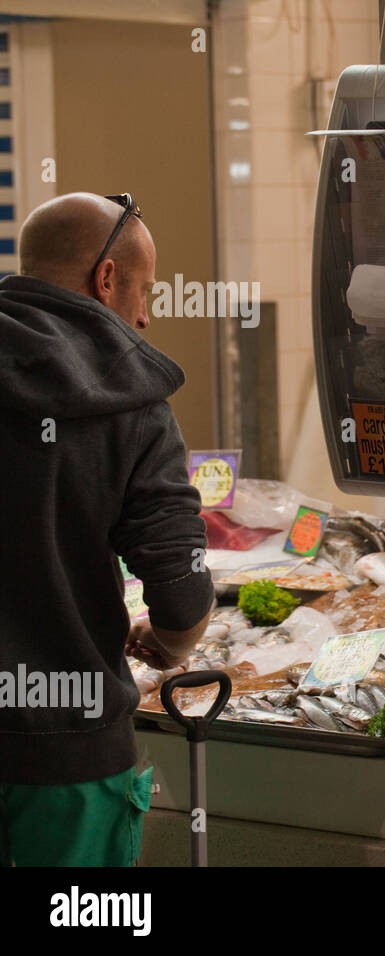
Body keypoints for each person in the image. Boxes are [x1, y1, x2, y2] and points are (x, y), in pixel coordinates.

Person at [0, 193, 215, 865]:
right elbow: (179, 594)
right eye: (145, 290)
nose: (147, 315)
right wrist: (172, 643)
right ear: (106, 279)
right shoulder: (134, 409)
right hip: (68, 754)